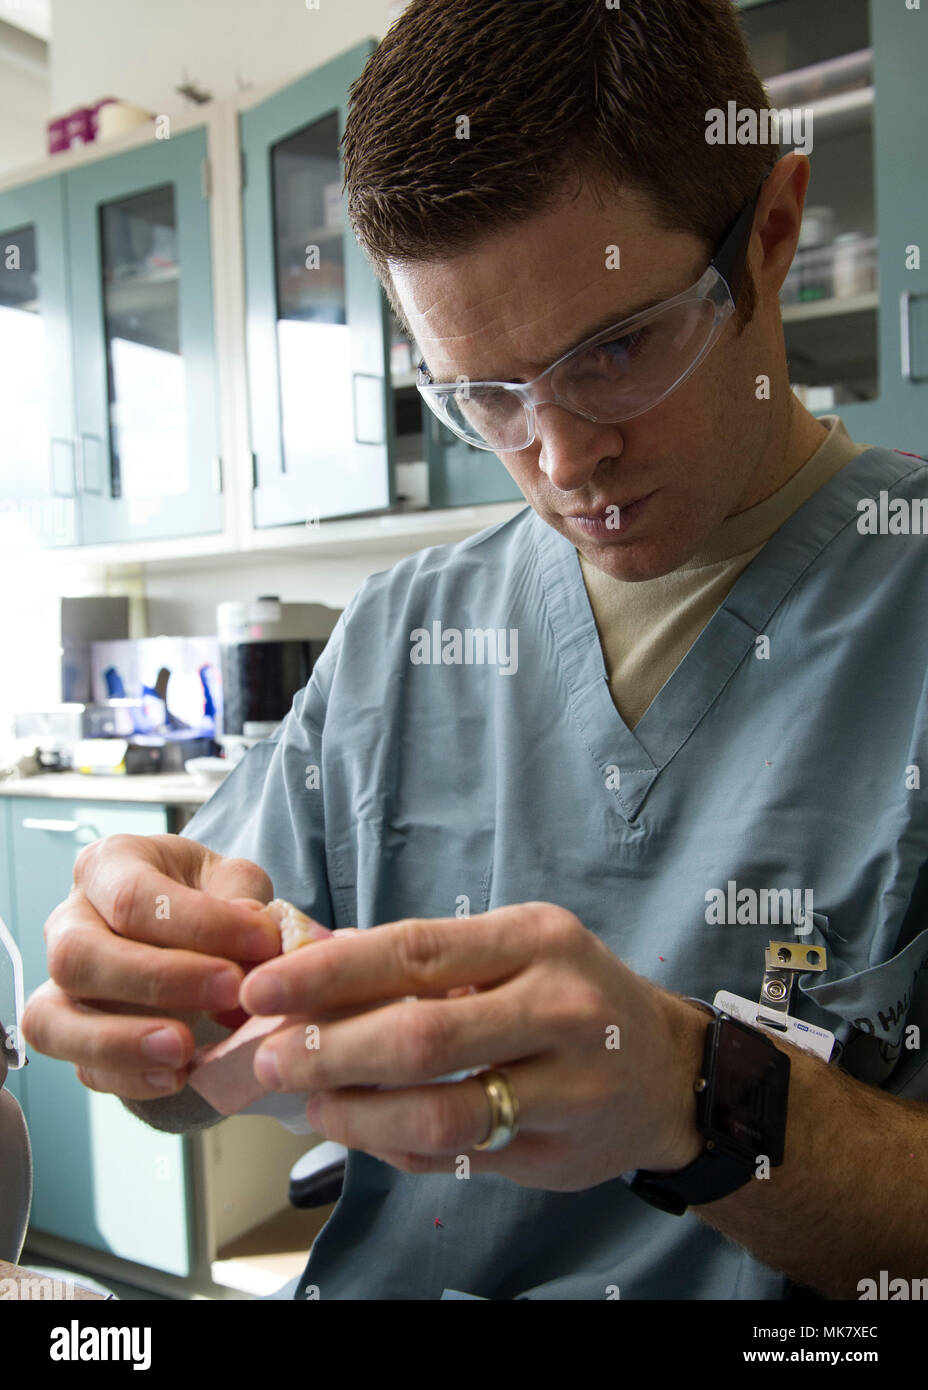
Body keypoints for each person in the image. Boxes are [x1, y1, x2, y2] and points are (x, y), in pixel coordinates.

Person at [22, 0, 928, 1301]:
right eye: (486, 396)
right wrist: (149, 1013)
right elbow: (195, 1082)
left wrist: (693, 1095)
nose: (562, 461)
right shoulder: (403, 639)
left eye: (615, 350)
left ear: (774, 236)